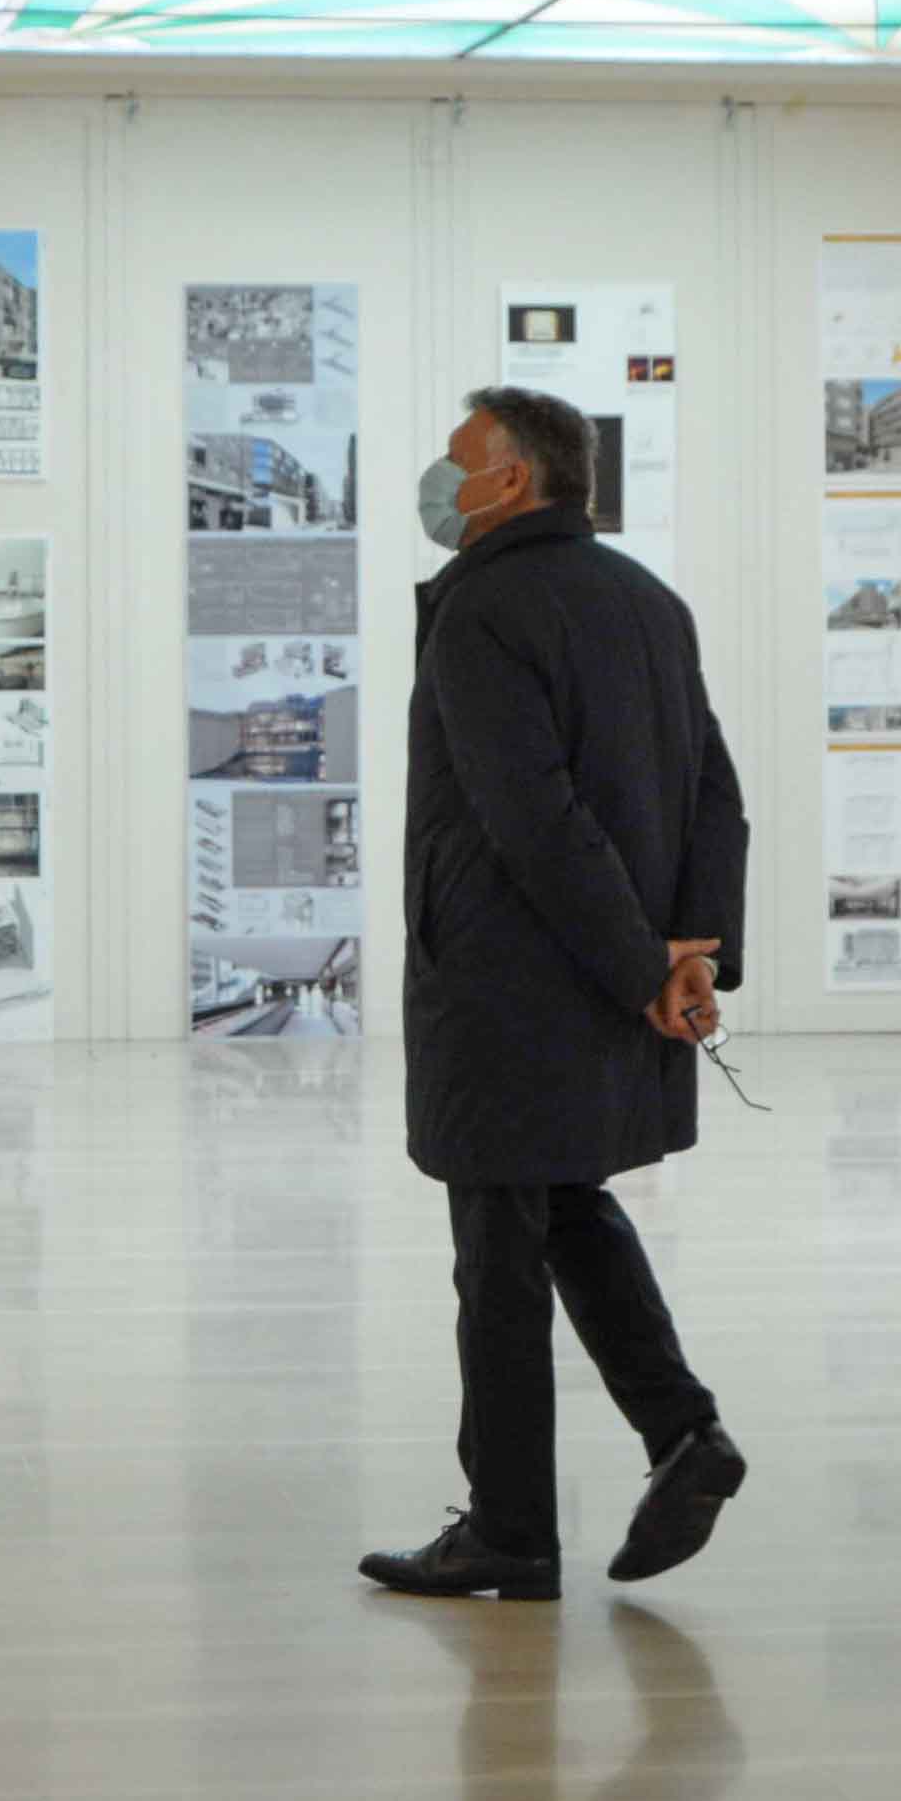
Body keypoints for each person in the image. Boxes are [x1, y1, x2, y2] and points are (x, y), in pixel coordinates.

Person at [361, 387, 752, 1602]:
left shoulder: (483, 607)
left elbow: (533, 818)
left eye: (457, 459)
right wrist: (690, 948)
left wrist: (650, 967)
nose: (439, 475)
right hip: (603, 977)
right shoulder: (649, 601)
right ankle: (684, 1431)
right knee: (563, 1202)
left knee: (499, 1249)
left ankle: (511, 1526)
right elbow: (715, 792)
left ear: (514, 482)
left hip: (509, 983)